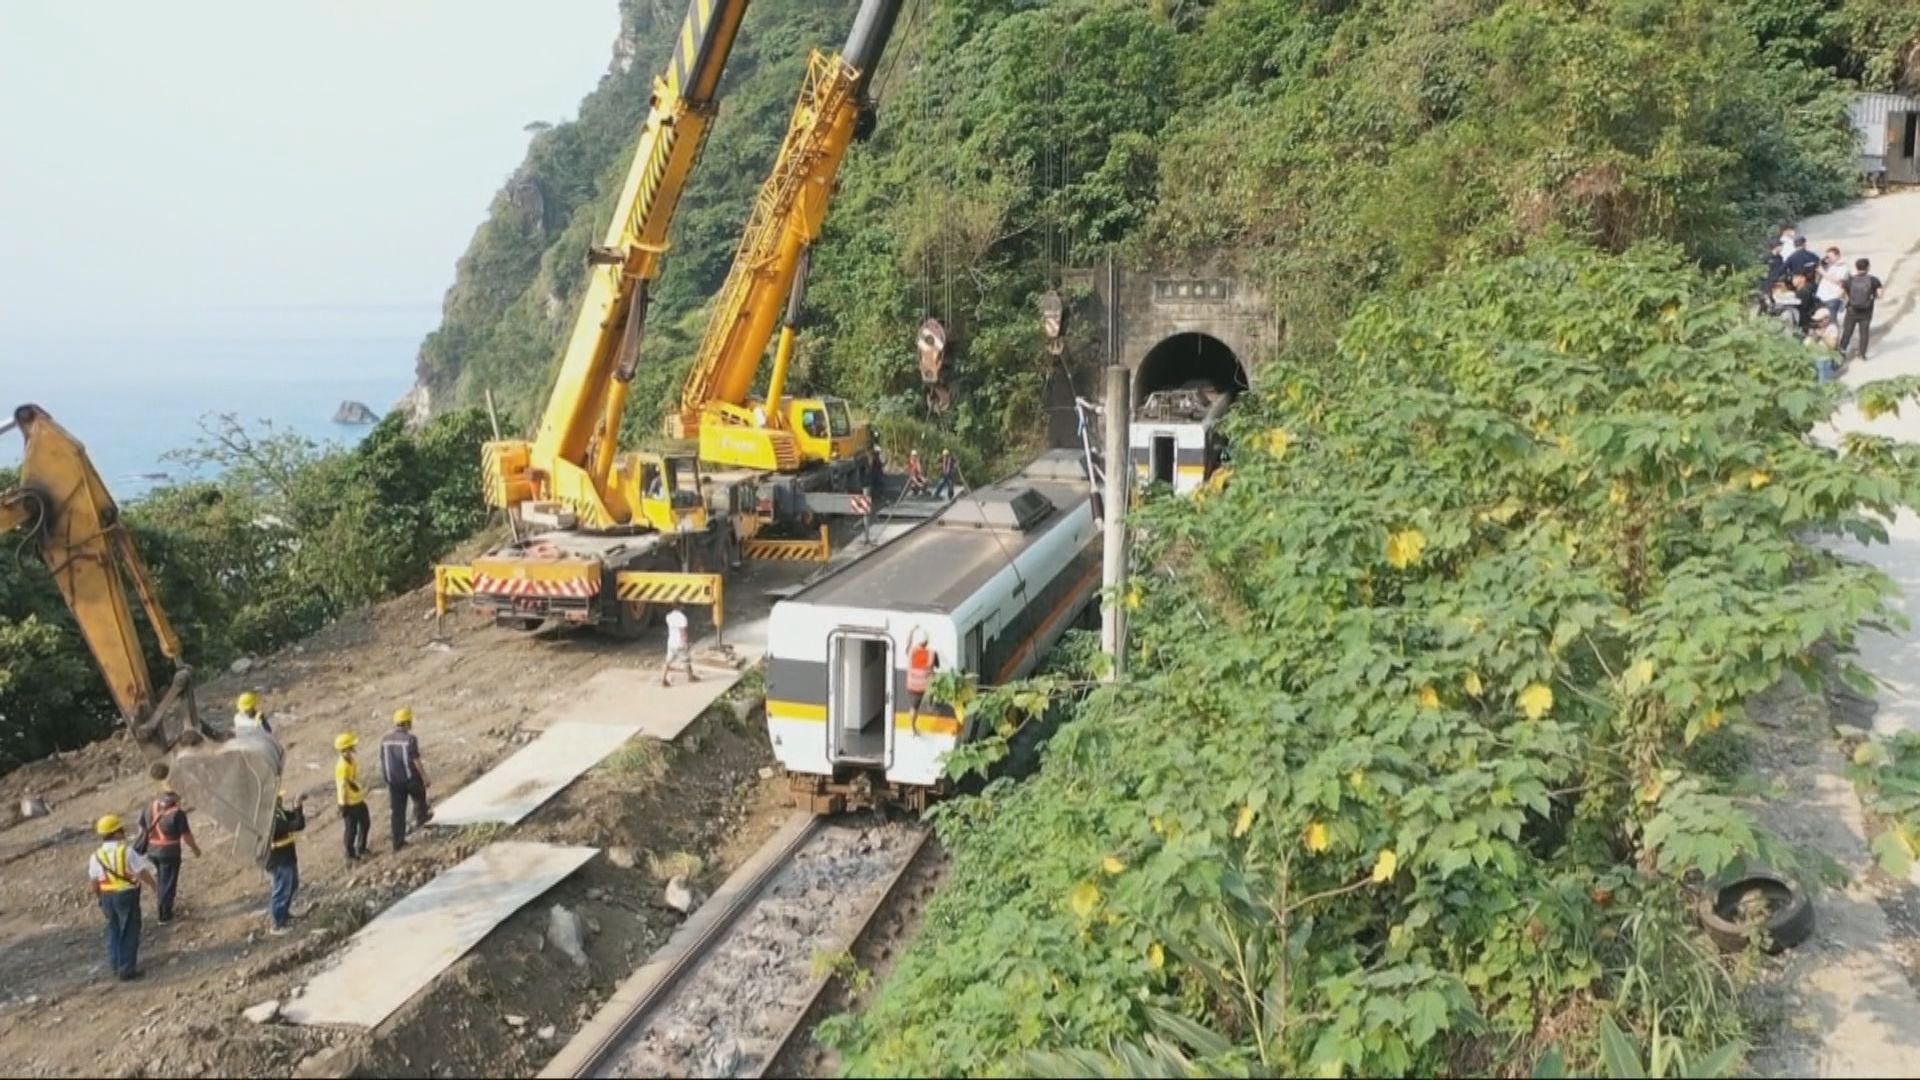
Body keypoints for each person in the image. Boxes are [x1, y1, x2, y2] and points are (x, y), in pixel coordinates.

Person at [89, 814, 156, 981]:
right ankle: (126, 970)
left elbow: (94, 882)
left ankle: (116, 965)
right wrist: (155, 887)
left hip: (107, 896)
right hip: (126, 895)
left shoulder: (96, 856)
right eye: (121, 830)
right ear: (116, 832)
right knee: (129, 931)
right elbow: (141, 872)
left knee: (114, 930)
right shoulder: (126, 851)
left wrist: (100, 899)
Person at [134, 786, 200, 923]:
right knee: (168, 882)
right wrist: (195, 849)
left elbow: (141, 828)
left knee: (162, 878)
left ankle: (162, 905)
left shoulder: (149, 807)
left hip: (152, 851)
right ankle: (164, 915)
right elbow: (187, 836)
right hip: (169, 853)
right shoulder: (178, 814)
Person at [379, 708, 432, 852]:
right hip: (410, 779)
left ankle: (398, 843)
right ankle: (421, 820)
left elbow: (383, 759)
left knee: (397, 812)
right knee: (420, 797)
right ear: (407, 722)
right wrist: (425, 777)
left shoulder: (385, 740)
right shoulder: (410, 739)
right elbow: (415, 760)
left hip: (394, 782)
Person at [265, 791, 305, 935]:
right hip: (279, 860)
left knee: (292, 885)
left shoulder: (279, 813)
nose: (281, 799)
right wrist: (298, 806)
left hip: (287, 856)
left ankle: (284, 915)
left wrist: (297, 809)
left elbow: (298, 823)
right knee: (281, 890)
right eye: (278, 797)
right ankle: (277, 924)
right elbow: (296, 824)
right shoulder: (272, 820)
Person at [1841, 257, 1885, 363]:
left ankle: (1841, 352)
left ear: (1856, 268)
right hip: (1866, 310)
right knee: (1864, 332)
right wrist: (1872, 297)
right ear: (1868, 267)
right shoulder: (1874, 280)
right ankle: (1862, 354)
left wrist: (1849, 298)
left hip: (1852, 309)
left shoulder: (1850, 280)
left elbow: (1840, 294)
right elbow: (1880, 295)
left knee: (1847, 331)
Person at [335, 732, 371, 861]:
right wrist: (343, 805)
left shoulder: (350, 761)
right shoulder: (342, 766)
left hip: (357, 800)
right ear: (345, 749)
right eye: (351, 747)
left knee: (365, 823)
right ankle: (350, 854)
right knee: (351, 829)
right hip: (350, 804)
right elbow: (342, 787)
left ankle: (361, 848)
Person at [661, 604, 698, 686]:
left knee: (667, 661)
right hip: (679, 643)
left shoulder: (668, 616)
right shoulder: (682, 618)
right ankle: (691, 677)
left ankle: (663, 679)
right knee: (686, 660)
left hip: (671, 642)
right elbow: (683, 632)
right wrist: (685, 643)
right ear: (681, 607)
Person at [1808, 308, 1841, 382]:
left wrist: (1822, 336)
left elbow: (1832, 346)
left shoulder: (1832, 328)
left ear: (1826, 319)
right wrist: (1813, 336)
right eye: (1817, 321)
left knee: (1824, 383)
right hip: (1816, 356)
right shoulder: (1818, 328)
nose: (1818, 323)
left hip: (1826, 359)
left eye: (1820, 320)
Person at [1818, 247, 1848, 323]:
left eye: (1831, 257)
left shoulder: (1843, 267)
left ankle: (1835, 334)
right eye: (1827, 257)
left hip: (1832, 297)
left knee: (1832, 321)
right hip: (1822, 297)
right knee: (1822, 320)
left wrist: (1822, 272)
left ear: (1838, 256)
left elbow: (1838, 280)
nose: (1829, 259)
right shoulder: (1827, 266)